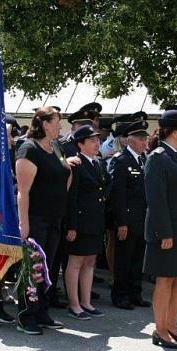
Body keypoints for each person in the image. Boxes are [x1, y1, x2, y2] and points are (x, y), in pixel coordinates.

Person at [143, 109, 177, 349]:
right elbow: (156, 199)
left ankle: (172, 324)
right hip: (167, 230)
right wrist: (165, 233)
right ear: (175, 131)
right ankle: (160, 328)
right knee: (165, 279)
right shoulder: (158, 157)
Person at [14, 106, 72, 334]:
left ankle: (42, 311)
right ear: (45, 124)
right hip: (36, 218)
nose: (60, 126)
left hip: (55, 217)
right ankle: (26, 315)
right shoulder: (29, 149)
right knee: (33, 269)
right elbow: (23, 191)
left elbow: (65, 172)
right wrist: (24, 223)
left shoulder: (56, 147)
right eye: (57, 121)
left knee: (48, 268)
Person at [64, 125, 109, 320]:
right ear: (80, 144)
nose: (96, 143)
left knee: (90, 261)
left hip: (95, 220)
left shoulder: (97, 163)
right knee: (76, 262)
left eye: (97, 140)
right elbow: (72, 198)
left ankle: (86, 302)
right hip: (81, 221)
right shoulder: (76, 164)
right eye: (91, 140)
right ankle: (74, 305)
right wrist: (72, 225)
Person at [109, 121, 151, 310]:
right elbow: (118, 195)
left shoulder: (144, 160)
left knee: (137, 258)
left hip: (142, 218)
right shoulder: (121, 160)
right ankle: (120, 295)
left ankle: (135, 293)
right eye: (141, 139)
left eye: (145, 139)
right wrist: (121, 223)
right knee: (124, 259)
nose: (144, 142)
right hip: (127, 219)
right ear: (129, 141)